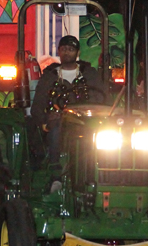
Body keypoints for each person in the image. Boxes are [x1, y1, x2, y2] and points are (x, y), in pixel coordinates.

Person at [30, 35, 108, 192]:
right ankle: (55, 175)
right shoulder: (49, 76)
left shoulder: (90, 74)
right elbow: (37, 105)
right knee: (56, 129)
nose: (67, 53)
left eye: (71, 49)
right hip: (59, 123)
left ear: (77, 53)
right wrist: (45, 121)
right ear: (59, 51)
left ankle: (99, 175)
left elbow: (103, 100)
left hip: (87, 123)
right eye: (64, 49)